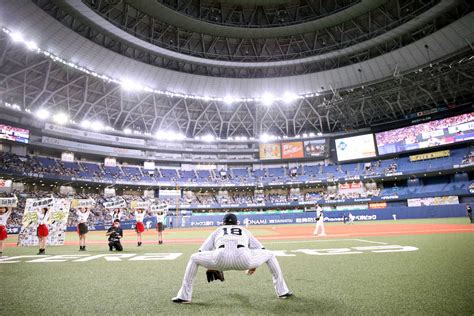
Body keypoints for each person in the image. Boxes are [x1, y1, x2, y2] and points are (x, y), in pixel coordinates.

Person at [172, 213, 292, 304]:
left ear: (223, 223)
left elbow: (201, 251)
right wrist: (253, 264)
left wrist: (210, 266)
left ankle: (184, 296)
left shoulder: (218, 230)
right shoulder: (244, 230)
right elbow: (262, 249)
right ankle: (282, 292)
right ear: (236, 223)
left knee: (194, 258)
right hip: (244, 259)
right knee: (270, 254)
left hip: (219, 259)